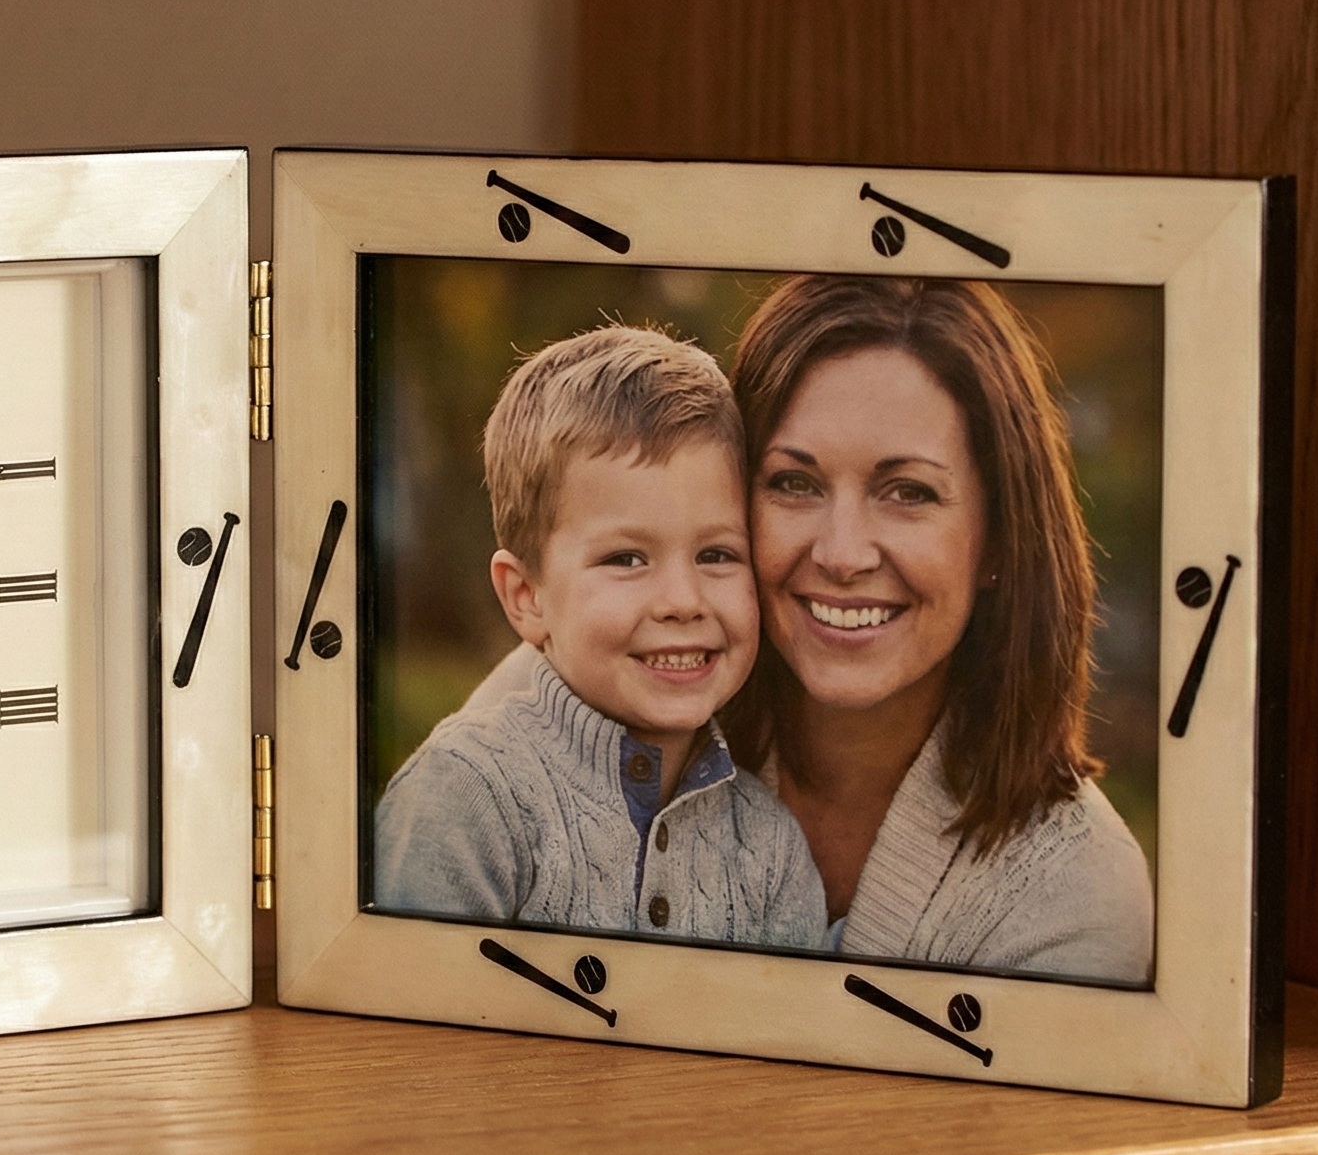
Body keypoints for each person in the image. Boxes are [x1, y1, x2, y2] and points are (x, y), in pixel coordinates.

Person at [723, 273, 1153, 981]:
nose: (842, 554)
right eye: (793, 483)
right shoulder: (588, 708)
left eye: (908, 492)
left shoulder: (1074, 893)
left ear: (998, 541)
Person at [373, 325, 826, 946]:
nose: (683, 601)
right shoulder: (465, 801)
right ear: (526, 597)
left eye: (717, 554)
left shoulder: (770, 851)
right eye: (626, 560)